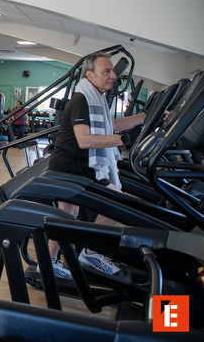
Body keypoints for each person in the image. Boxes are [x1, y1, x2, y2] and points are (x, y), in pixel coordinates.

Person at [45, 52, 147, 278]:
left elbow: (111, 125)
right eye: (106, 71)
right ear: (90, 75)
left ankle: (50, 262)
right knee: (119, 202)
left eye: (112, 71)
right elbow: (84, 140)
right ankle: (91, 252)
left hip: (72, 163)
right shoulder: (82, 100)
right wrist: (123, 140)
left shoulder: (94, 98)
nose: (113, 76)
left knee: (66, 216)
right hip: (73, 166)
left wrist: (144, 117)